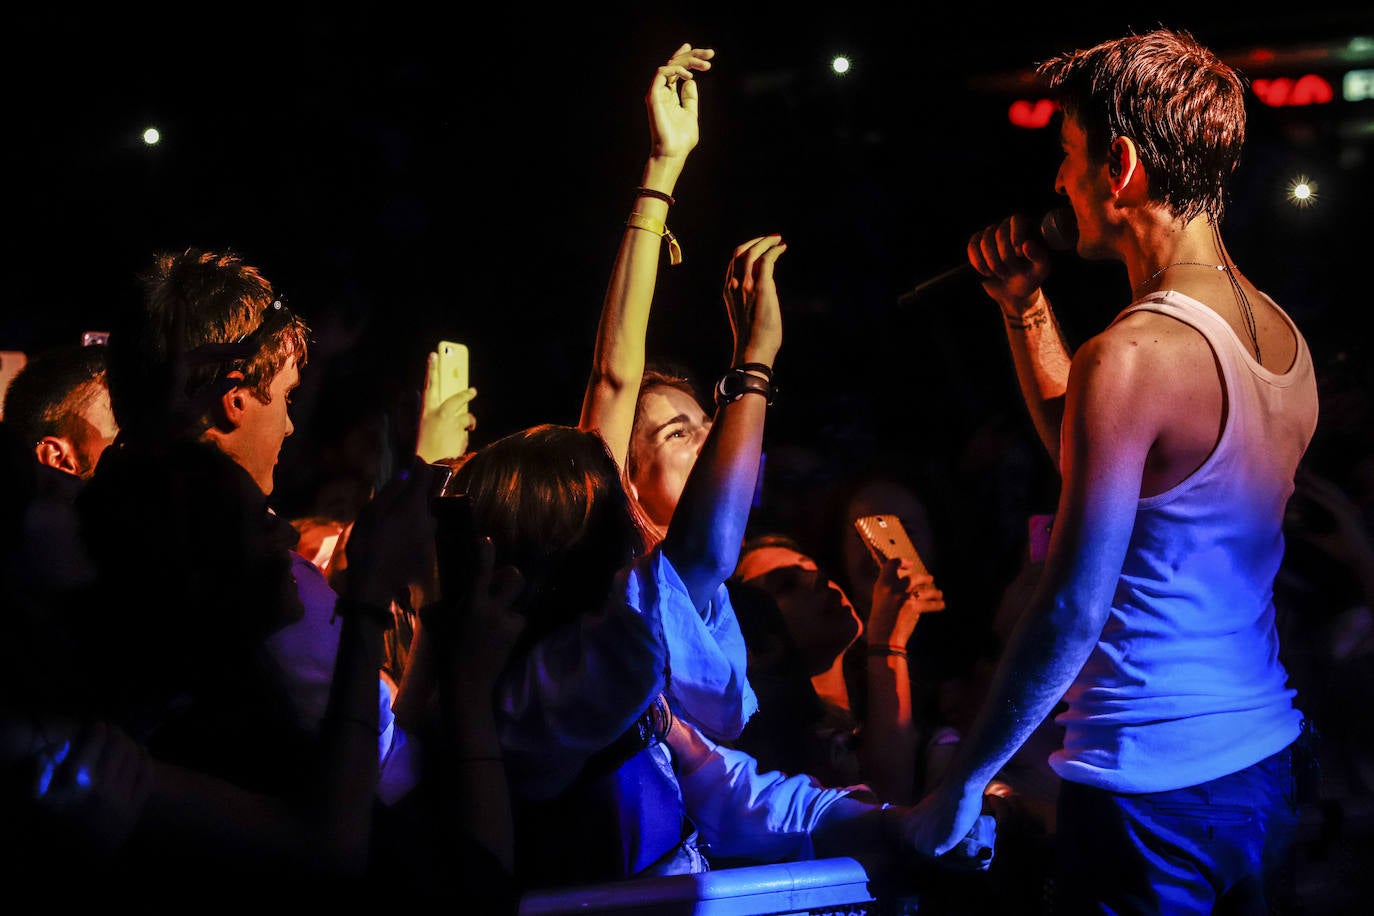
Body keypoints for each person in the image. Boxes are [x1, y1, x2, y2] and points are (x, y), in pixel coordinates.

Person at [906, 28, 1319, 915]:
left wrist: (961, 782)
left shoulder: (1131, 353)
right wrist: (1024, 309)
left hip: (1149, 790)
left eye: (1067, 155)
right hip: (1261, 762)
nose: (1059, 183)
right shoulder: (1282, 337)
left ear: (1120, 165)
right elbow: (1107, 455)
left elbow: (1071, 605)